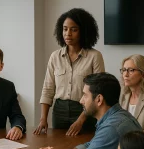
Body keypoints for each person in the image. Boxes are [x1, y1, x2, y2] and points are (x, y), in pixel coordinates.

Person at [37, 73, 142, 149]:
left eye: (85, 95)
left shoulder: (112, 128)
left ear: (99, 99)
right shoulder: (117, 117)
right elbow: (91, 146)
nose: (81, 100)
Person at [34, 8, 105, 136]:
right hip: (59, 110)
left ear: (83, 31)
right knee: (58, 147)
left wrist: (81, 119)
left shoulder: (95, 56)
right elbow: (48, 89)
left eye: (74, 29)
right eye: (65, 29)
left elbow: (98, 91)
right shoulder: (55, 56)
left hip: (85, 110)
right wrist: (43, 118)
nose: (68, 33)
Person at [119, 54, 144, 142]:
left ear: (143, 74)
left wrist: (126, 147)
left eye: (131, 70)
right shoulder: (123, 95)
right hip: (120, 146)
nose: (125, 74)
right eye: (124, 70)